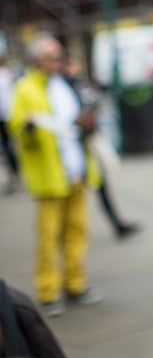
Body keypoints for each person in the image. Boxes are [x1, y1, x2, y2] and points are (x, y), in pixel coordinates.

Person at [7, 33, 104, 318]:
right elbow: (16, 126)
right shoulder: (25, 88)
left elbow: (83, 117)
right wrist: (28, 126)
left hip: (76, 167)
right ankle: (48, 291)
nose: (57, 61)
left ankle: (76, 283)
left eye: (59, 56)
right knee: (48, 236)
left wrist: (87, 122)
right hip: (49, 174)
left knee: (77, 231)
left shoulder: (67, 83)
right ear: (37, 60)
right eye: (51, 56)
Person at [62, 57, 141, 240]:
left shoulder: (76, 84)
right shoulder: (60, 87)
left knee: (100, 184)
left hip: (87, 144)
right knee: (79, 191)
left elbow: (94, 102)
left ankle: (117, 223)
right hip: (70, 147)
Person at [0, 52, 21, 194]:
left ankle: (16, 176)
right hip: (6, 116)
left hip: (8, 116)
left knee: (10, 148)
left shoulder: (6, 75)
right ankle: (16, 176)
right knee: (9, 148)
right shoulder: (7, 75)